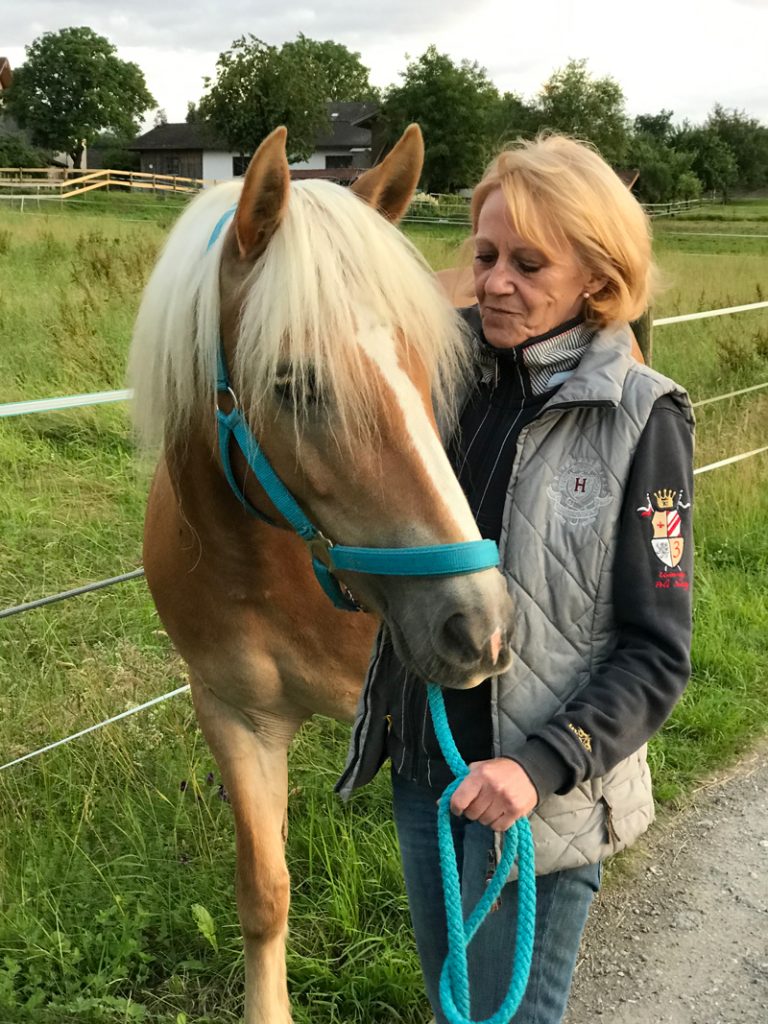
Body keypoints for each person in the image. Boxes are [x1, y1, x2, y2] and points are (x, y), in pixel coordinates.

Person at [336, 134, 694, 1024]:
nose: (493, 283)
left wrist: (538, 768)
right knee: (452, 1006)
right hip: (427, 765)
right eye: (486, 255)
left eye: (529, 265)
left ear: (597, 280)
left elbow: (657, 652)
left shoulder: (643, 419)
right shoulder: (434, 376)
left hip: (540, 798)